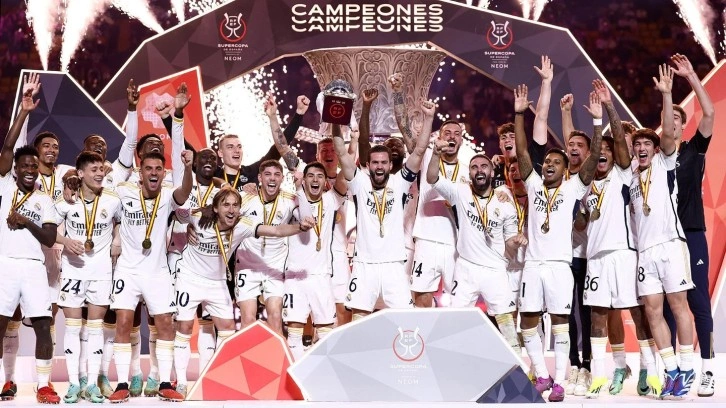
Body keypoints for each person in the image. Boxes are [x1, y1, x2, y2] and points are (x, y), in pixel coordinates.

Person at [173, 186, 313, 396]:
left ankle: (220, 377)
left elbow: (275, 231)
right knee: (184, 326)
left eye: (235, 205)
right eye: (226, 205)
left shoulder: (243, 225)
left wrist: (300, 228)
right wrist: (190, 224)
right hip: (189, 278)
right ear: (216, 208)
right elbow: (177, 212)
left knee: (228, 328)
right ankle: (182, 383)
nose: (231, 210)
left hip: (217, 282)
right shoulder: (199, 217)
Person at [514, 84, 602, 402]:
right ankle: (542, 375)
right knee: (528, 321)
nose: (549, 164)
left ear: (566, 170)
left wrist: (596, 123)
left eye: (556, 162)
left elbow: (592, 161)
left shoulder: (572, 189)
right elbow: (522, 152)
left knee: (561, 322)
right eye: (548, 161)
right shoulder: (534, 184)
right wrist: (519, 114)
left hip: (560, 267)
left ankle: (561, 381)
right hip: (532, 265)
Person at [578, 80, 659, 398]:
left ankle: (651, 372)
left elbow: (619, 144)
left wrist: (607, 108)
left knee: (637, 314)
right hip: (596, 259)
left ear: (614, 156)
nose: (602, 155)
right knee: (598, 317)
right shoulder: (585, 186)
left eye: (607, 152)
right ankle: (603, 375)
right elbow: (581, 223)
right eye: (598, 153)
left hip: (624, 254)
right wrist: (579, 213)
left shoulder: (623, 174)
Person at [629, 64, 695, 399]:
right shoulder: (630, 176)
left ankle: (687, 367)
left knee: (679, 305)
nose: (641, 147)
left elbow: (668, 134)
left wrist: (667, 95)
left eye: (647, 143)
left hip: (670, 244)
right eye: (637, 144)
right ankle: (670, 372)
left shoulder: (664, 162)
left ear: (655, 149)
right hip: (646, 253)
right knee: (653, 312)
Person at [108, 150, 194, 403]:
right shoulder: (124, 192)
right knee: (124, 322)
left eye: (158, 169)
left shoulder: (168, 195)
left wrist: (188, 168)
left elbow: (185, 192)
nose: (153, 173)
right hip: (128, 270)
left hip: (157, 272)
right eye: (149, 168)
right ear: (140, 172)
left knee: (165, 323)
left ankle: (165, 383)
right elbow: (98, 191)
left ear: (164, 173)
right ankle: (121, 383)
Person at [337, 97, 434, 318]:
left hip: (394, 265)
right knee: (359, 321)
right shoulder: (360, 183)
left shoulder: (400, 182)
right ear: (368, 164)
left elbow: (419, 151)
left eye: (383, 162)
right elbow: (342, 153)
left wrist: (429, 118)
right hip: (364, 264)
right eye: (375, 162)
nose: (379, 166)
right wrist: (336, 120)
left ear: (390, 165)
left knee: (406, 321)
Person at [426, 143, 527, 352]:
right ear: (470, 173)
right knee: (455, 320)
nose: (479, 170)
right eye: (474, 167)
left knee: (506, 323)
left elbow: (509, 241)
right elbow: (432, 177)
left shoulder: (505, 203)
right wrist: (435, 153)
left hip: (495, 270)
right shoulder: (459, 192)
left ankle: (517, 364)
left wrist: (516, 241)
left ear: (492, 172)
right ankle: (452, 360)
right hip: (466, 268)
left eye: (484, 166)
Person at [0, 90, 59, 404]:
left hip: (34, 268)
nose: (29, 170)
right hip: (6, 264)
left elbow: (49, 239)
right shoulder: (6, 185)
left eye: (33, 166)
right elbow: (7, 147)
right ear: (15, 169)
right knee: (0, 325)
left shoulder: (44, 199)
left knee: (43, 326)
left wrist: (25, 221)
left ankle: (44, 386)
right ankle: (5, 382)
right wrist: (23, 112)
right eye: (24, 165)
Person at [663, 53, 716, 397]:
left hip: (692, 234)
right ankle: (673, 373)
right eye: (666, 118)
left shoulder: (694, 150)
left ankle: (708, 370)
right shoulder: (654, 160)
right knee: (669, 305)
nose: (671, 123)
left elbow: (709, 113)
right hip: (664, 240)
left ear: (683, 126)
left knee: (698, 303)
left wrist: (692, 77)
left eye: (677, 119)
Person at [53, 151, 121, 403]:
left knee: (95, 329)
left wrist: (116, 238)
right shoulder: (66, 201)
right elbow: (48, 230)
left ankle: (92, 384)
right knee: (72, 328)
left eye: (101, 169)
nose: (100, 173)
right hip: (73, 271)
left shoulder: (113, 200)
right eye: (94, 170)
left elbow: (120, 222)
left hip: (101, 272)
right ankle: (73, 383)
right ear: (80, 173)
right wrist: (65, 241)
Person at [283, 161, 346, 359]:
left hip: (321, 276)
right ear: (304, 180)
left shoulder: (331, 200)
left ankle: (324, 373)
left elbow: (346, 172)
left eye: (320, 176)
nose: (315, 179)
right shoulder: (291, 201)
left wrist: (347, 147)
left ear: (326, 181)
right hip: (295, 276)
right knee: (294, 333)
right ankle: (295, 374)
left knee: (326, 332)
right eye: (310, 176)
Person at [234, 160, 297, 335]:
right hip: (247, 265)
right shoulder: (245, 197)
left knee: (275, 317)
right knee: (248, 320)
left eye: (277, 175)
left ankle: (276, 354)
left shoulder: (290, 200)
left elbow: (311, 208)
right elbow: (222, 210)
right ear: (260, 178)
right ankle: (249, 353)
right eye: (267, 174)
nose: (272, 178)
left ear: (282, 178)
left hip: (275, 265)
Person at [560, 92, 594, 394]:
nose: (572, 148)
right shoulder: (560, 176)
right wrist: (566, 111)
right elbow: (569, 138)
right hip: (562, 254)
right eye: (570, 145)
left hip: (585, 253)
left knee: (585, 310)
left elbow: (584, 221)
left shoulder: (590, 178)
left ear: (588, 153)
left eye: (579, 146)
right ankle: (572, 363)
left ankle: (588, 364)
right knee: (566, 308)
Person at [214, 95, 308, 190]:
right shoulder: (212, 175)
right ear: (220, 153)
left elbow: (281, 146)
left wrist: (298, 114)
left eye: (239, 147)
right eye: (230, 147)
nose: (236, 150)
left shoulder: (253, 172)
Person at [492, 55, 551, 187]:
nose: (507, 140)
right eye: (503, 138)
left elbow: (541, 117)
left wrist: (546, 83)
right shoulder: (494, 168)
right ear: (500, 145)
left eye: (513, 136)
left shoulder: (533, 157)